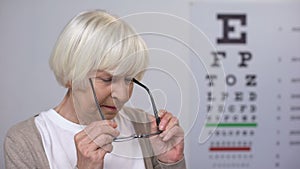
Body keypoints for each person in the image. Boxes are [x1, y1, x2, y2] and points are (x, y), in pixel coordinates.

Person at [4, 10, 186, 169]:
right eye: (107, 79)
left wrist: (170, 162)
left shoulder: (146, 126)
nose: (122, 96)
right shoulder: (25, 140)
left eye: (129, 79)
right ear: (71, 78)